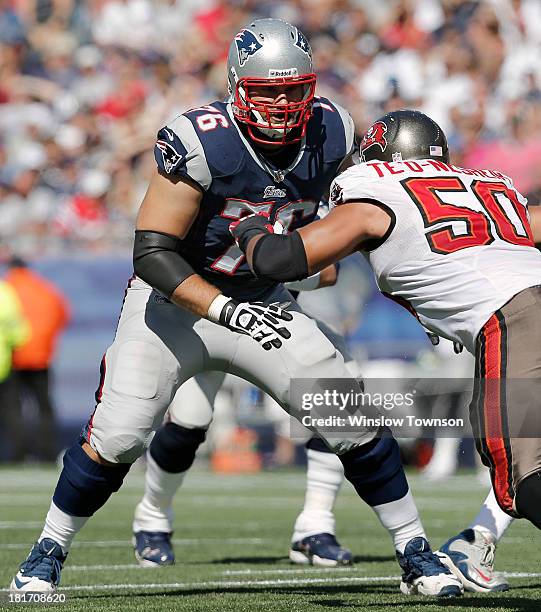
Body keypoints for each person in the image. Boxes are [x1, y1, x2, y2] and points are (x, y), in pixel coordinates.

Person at [10, 21, 462, 598]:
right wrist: (223, 309)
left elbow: (366, 226)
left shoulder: (332, 129)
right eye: (266, 90)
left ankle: (414, 551)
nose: (281, 103)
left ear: (311, 87)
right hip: (177, 301)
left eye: (293, 89)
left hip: (263, 300)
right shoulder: (202, 140)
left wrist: (419, 300)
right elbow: (152, 253)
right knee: (120, 436)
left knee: (348, 413)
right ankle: (47, 550)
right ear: (235, 85)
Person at [230, 108, 541, 592]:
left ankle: (475, 541)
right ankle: (476, 539)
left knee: (526, 478)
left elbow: (281, 259)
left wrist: (249, 230)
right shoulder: (487, 187)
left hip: (515, 318)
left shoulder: (376, 190)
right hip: (522, 306)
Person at [133, 265, 357, 569]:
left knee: (342, 397)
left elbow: (329, 271)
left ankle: (315, 525)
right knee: (189, 422)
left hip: (273, 320)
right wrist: (262, 264)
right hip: (210, 317)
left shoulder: (309, 215)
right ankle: (153, 516)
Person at [5, 257, 71, 461]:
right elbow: (63, 315)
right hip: (41, 356)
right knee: (44, 406)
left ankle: (18, 453)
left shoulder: (7, 290)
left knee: (13, 408)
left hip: (12, 356)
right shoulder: (45, 289)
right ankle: (47, 452)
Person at [0, 279, 30, 461]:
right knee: (12, 412)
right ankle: (18, 456)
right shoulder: (5, 293)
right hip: (3, 364)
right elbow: (20, 334)